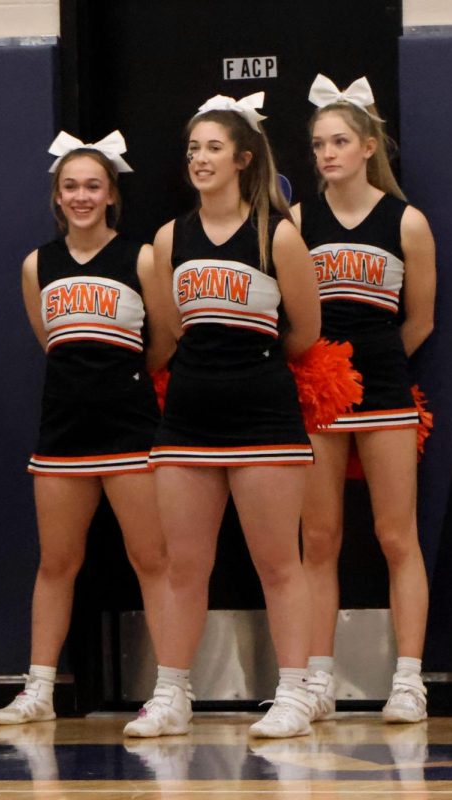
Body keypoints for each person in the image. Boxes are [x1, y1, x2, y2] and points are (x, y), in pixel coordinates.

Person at [144, 93, 321, 738]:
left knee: (279, 562)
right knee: (183, 564)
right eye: (193, 148)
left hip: (264, 417)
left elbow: (304, 332)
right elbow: (170, 330)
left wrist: (252, 368)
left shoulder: (279, 236)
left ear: (245, 159)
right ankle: (170, 694)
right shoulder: (170, 238)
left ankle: (296, 693)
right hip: (187, 417)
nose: (200, 158)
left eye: (214, 147)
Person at [0, 132, 169, 730]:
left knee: (153, 560)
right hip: (63, 429)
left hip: (130, 427)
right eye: (71, 186)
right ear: (56, 196)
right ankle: (39, 689)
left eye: (93, 185)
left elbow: (165, 340)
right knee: (56, 562)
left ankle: (171, 691)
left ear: (111, 193)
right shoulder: (36, 265)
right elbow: (51, 342)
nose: (82, 196)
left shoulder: (142, 258)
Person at [297, 74, 436, 724]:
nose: (328, 153)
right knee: (318, 539)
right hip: (318, 400)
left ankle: (409, 679)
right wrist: (324, 373)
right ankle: (318, 680)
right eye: (320, 142)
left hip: (384, 392)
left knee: (395, 535)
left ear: (368, 145)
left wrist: (372, 368)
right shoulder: (298, 223)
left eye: (340, 141)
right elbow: (293, 318)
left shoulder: (406, 222)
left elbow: (421, 322)